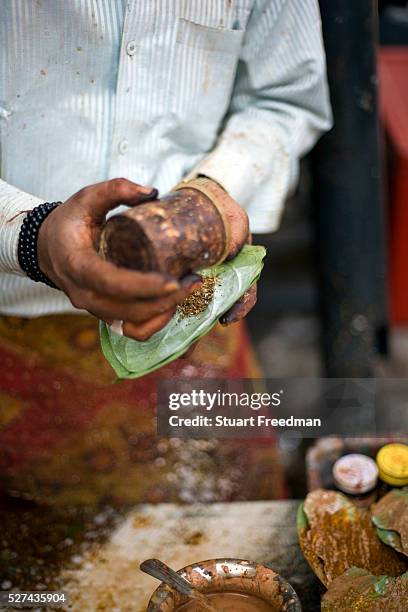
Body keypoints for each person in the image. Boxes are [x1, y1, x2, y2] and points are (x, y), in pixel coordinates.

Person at [0, 1, 331, 506]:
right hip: (14, 336)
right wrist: (31, 236)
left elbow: (285, 99)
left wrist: (211, 197)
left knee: (236, 538)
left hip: (192, 307)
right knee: (44, 563)